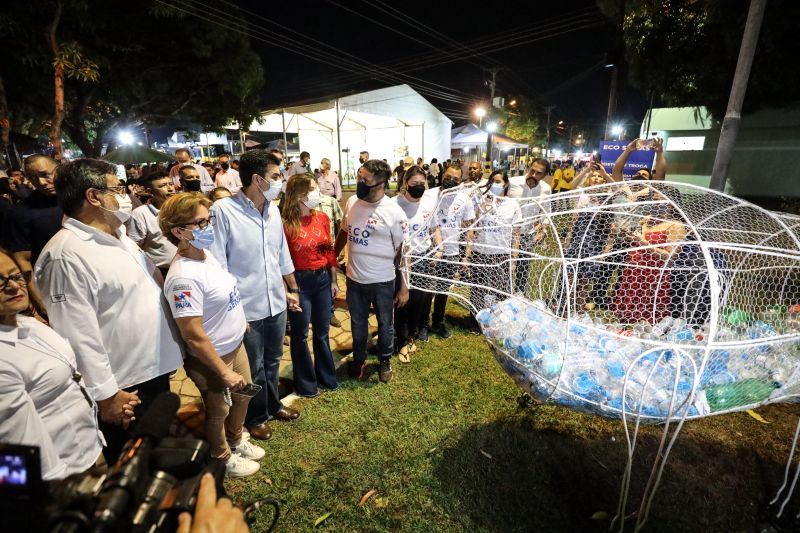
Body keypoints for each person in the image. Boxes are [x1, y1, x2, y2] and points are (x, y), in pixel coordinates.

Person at [34, 158, 184, 462]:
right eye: (118, 188)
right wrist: (106, 395)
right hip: (124, 386)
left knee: (155, 454)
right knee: (132, 462)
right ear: (93, 196)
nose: (126, 196)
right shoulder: (66, 255)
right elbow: (77, 335)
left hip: (150, 368)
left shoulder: (120, 237)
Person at [159, 193, 263, 478]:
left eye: (209, 219)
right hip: (212, 358)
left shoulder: (205, 254)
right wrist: (222, 371)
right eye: (201, 222)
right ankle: (222, 456)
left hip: (235, 344)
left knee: (244, 396)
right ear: (179, 231)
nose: (209, 227)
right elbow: (192, 334)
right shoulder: (183, 277)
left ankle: (236, 438)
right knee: (219, 409)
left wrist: (238, 320)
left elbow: (222, 293)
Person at [209, 150, 301, 442]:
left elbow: (281, 253)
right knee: (255, 367)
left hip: (275, 301)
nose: (281, 181)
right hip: (245, 308)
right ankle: (255, 416)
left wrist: (292, 289)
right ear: (257, 179)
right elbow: (218, 264)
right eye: (276, 176)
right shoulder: (224, 211)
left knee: (273, 360)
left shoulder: (272, 210)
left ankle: (273, 405)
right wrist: (232, 311)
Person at [0, 247, 109, 480]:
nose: (12, 286)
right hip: (61, 481)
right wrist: (50, 501)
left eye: (16, 275)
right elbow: (12, 451)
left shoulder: (28, 324)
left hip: (89, 452)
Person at [334, 159, 409, 383]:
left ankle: (384, 360)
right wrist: (332, 255)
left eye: (364, 179)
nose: (359, 182)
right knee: (358, 323)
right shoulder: (353, 203)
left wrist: (404, 285)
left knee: (386, 323)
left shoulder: (394, 213)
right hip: (355, 280)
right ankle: (359, 359)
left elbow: (403, 251)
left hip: (383, 280)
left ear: (381, 184)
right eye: (359, 176)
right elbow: (344, 231)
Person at [281, 174, 339, 396]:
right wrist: (289, 291)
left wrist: (333, 279)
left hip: (322, 279)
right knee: (300, 334)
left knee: (322, 332)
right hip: (300, 283)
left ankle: (327, 377)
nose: (318, 193)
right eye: (313, 189)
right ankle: (306, 384)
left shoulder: (322, 217)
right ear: (299, 194)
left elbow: (328, 249)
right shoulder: (286, 225)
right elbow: (282, 261)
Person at [391, 166, 441, 361]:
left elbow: (434, 228)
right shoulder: (395, 205)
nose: (419, 188)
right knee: (403, 300)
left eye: (423, 184)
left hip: (424, 258)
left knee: (419, 301)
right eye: (415, 184)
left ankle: (411, 336)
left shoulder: (429, 204)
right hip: (401, 262)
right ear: (405, 183)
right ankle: (401, 341)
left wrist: (439, 248)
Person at [613, 196, 687, 325]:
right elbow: (639, 243)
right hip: (635, 271)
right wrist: (629, 238)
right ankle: (626, 327)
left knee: (646, 312)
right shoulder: (645, 221)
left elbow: (671, 256)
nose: (655, 204)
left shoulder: (676, 226)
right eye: (653, 200)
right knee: (628, 311)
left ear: (671, 204)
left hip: (653, 274)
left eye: (660, 201)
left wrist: (642, 242)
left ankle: (643, 329)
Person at [428, 164, 475, 340]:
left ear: (460, 180)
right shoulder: (430, 195)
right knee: (424, 288)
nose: (451, 180)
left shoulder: (465, 199)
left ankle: (438, 321)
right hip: (428, 250)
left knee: (442, 289)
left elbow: (469, 228)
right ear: (442, 175)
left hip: (451, 251)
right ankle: (421, 324)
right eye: (448, 176)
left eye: (456, 179)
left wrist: (467, 255)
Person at [466, 170, 522, 314]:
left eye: (498, 182)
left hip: (501, 254)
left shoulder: (513, 204)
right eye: (491, 182)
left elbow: (516, 234)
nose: (494, 185)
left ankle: (498, 318)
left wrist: (513, 260)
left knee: (500, 289)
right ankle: (476, 318)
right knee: (478, 288)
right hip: (481, 252)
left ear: (506, 184)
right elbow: (473, 227)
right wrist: (468, 253)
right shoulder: (481, 202)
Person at [1, 155, 63, 274]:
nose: (41, 182)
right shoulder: (19, 213)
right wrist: (35, 292)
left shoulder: (79, 200)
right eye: (33, 178)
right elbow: (22, 261)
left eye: (45, 175)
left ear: (59, 170)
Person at [509, 158, 552, 296]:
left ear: (544, 175)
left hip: (528, 234)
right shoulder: (512, 183)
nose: (533, 175)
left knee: (523, 267)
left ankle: (519, 297)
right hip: (507, 233)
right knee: (505, 266)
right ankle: (501, 295)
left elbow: (546, 212)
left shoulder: (545, 189)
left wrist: (543, 230)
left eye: (538, 173)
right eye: (532, 170)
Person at [126, 170, 178, 278]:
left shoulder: (182, 208)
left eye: (171, 184)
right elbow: (135, 247)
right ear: (150, 191)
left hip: (186, 267)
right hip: (161, 272)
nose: (170, 189)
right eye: (163, 186)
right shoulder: (140, 214)